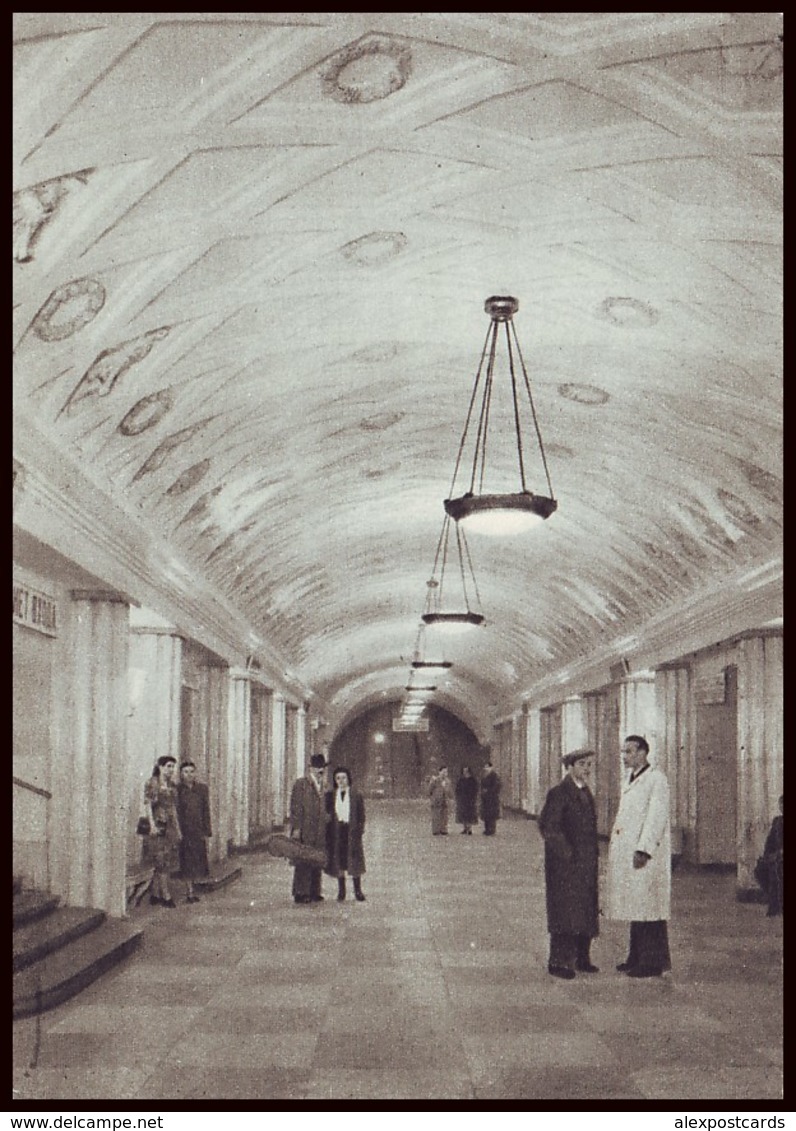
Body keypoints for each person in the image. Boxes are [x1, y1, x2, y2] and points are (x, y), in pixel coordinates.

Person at [605, 735, 672, 977]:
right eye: (623, 752)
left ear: (643, 752)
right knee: (637, 906)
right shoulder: (631, 778)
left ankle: (651, 962)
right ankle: (635, 957)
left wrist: (644, 849)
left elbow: (656, 816)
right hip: (630, 852)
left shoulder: (656, 779)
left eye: (630, 752)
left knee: (648, 908)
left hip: (645, 855)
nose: (625, 756)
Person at [538, 749, 600, 979]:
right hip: (565, 866)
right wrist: (567, 854)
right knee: (565, 912)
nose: (587, 769)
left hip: (586, 864)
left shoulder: (585, 792)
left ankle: (582, 957)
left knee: (585, 909)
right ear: (570, 767)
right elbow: (548, 827)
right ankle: (559, 962)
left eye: (589, 765)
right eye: (582, 764)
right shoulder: (559, 792)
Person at [289, 752, 328, 904]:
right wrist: (297, 829)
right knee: (303, 861)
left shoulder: (322, 786)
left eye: (322, 768)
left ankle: (314, 891)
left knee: (317, 860)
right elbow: (296, 808)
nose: (320, 770)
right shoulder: (302, 784)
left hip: (319, 830)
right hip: (305, 829)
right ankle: (301, 892)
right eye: (318, 767)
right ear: (310, 768)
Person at [144, 755, 182, 908]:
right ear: (160, 767)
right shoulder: (153, 783)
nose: (171, 770)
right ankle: (165, 895)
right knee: (160, 860)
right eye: (168, 766)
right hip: (157, 826)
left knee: (166, 860)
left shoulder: (172, 786)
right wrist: (152, 825)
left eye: (173, 767)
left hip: (169, 828)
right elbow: (147, 805)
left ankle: (155, 894)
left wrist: (178, 829)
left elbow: (173, 809)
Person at [325, 766, 367, 902]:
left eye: (343, 778)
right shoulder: (331, 795)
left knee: (355, 861)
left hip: (351, 831)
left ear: (348, 779)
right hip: (337, 832)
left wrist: (359, 831)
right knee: (340, 861)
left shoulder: (356, 795)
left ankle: (358, 891)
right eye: (338, 778)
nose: (341, 781)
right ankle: (341, 891)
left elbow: (361, 815)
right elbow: (328, 814)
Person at [175, 760, 212, 904]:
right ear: (181, 774)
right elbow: (176, 811)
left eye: (191, 772)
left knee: (198, 859)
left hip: (198, 829)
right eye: (185, 772)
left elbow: (205, 810)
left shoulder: (202, 789)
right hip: (185, 830)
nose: (189, 775)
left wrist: (207, 830)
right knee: (187, 861)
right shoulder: (178, 790)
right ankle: (189, 891)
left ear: (195, 773)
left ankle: (194, 888)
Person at [760, 795, 783, 917]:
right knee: (761, 869)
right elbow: (770, 841)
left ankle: (776, 906)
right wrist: (768, 855)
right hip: (778, 856)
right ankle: (774, 903)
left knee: (777, 870)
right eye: (781, 805)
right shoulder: (777, 821)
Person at [428, 766, 453, 835]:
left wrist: (449, 797)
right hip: (436, 800)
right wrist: (433, 797)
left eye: (446, 772)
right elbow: (430, 789)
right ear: (439, 772)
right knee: (436, 815)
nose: (445, 773)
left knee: (444, 816)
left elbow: (449, 791)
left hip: (445, 800)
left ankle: (443, 829)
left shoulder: (448, 781)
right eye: (443, 772)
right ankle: (436, 830)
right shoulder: (435, 780)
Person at [455, 765, 479, 834]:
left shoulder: (472, 780)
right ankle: (465, 828)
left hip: (470, 799)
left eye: (466, 771)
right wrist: (458, 796)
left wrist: (473, 797)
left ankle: (470, 828)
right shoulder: (461, 780)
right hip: (462, 799)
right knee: (463, 814)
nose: (465, 772)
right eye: (464, 771)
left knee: (470, 814)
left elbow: (475, 789)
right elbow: (457, 789)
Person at [480, 761, 502, 836]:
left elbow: (497, 786)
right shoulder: (484, 776)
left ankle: (492, 829)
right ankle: (487, 829)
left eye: (487, 767)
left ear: (491, 767)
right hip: (485, 798)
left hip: (492, 798)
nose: (486, 769)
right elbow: (482, 785)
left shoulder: (494, 776)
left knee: (492, 814)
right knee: (486, 814)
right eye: (485, 767)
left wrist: (489, 791)